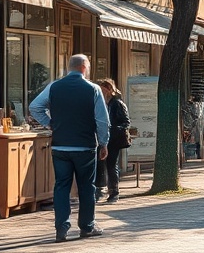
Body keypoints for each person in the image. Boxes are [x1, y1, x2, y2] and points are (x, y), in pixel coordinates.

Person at [29, 54, 110, 242]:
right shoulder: (93, 89)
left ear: (70, 67)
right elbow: (102, 120)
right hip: (85, 147)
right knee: (86, 188)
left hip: (60, 146)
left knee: (61, 187)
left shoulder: (54, 87)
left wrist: (50, 123)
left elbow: (35, 107)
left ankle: (61, 227)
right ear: (84, 67)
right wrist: (104, 142)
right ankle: (87, 226)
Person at [96, 78, 130, 204]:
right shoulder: (101, 103)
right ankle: (100, 189)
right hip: (101, 138)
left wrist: (113, 129)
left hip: (113, 139)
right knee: (100, 164)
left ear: (109, 89)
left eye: (103, 89)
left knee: (111, 165)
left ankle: (113, 192)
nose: (101, 92)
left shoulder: (117, 103)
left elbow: (126, 122)